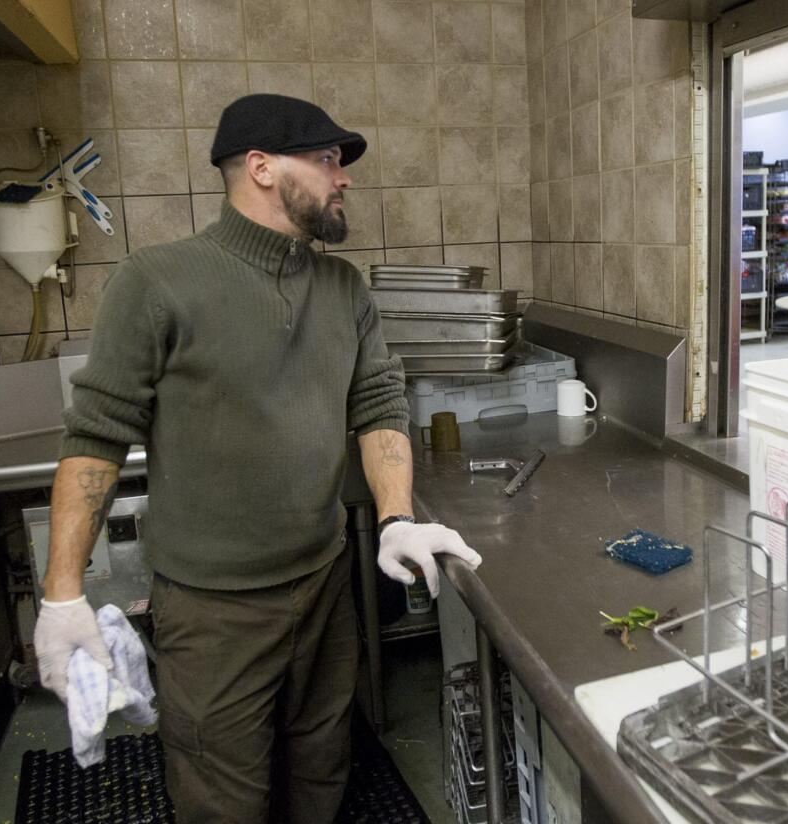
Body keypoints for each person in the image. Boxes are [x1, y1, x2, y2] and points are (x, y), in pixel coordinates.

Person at [31, 94, 482, 823]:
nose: (345, 179)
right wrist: (61, 593)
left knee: (322, 769)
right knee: (222, 799)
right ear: (262, 167)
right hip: (214, 612)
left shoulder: (344, 289)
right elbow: (95, 437)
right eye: (329, 160)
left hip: (325, 587)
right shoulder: (156, 282)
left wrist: (396, 517)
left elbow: (378, 405)